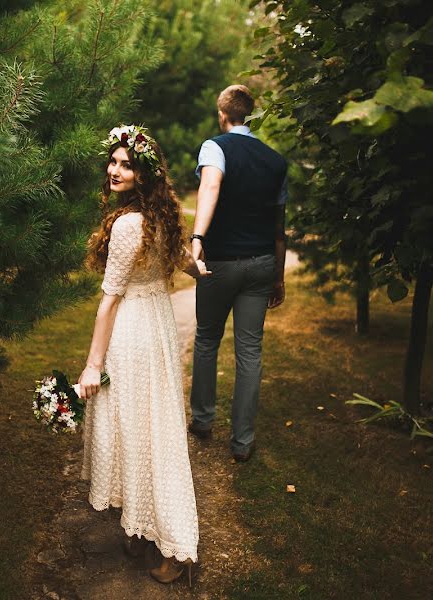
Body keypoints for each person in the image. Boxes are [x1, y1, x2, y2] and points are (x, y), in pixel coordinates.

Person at [78, 124, 204, 585]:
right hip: (157, 327)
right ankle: (139, 522)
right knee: (150, 425)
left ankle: (170, 542)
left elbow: (109, 299)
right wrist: (199, 266)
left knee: (139, 428)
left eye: (125, 165)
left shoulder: (131, 224)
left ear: (143, 174)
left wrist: (93, 365)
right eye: (112, 162)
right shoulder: (160, 217)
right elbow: (183, 260)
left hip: (133, 330)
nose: (114, 170)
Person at [188, 84, 288, 463]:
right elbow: (279, 229)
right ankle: (243, 442)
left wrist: (198, 235)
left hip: (221, 264)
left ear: (222, 114)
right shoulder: (276, 161)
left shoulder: (215, 147)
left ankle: (203, 420)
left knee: (207, 340)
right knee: (250, 351)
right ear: (249, 115)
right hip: (262, 264)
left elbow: (211, 184)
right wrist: (278, 276)